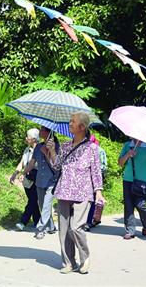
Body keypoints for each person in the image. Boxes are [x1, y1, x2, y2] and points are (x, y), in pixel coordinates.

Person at [47, 111, 106, 274]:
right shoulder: (65, 146)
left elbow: (96, 171)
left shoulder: (92, 148)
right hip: (64, 189)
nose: (69, 124)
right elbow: (57, 166)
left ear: (82, 127)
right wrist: (51, 151)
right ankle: (69, 262)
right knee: (64, 229)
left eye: (72, 122)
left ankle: (84, 257)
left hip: (83, 192)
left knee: (76, 227)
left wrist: (98, 191)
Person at [118, 137, 146, 240]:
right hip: (128, 180)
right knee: (128, 206)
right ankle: (130, 230)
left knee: (141, 205)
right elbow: (120, 163)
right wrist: (128, 154)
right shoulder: (128, 145)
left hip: (143, 182)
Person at [23, 126, 58, 239]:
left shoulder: (57, 146)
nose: (40, 131)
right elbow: (32, 163)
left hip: (51, 181)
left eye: (42, 129)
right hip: (40, 181)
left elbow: (56, 166)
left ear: (48, 132)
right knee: (43, 206)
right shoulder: (38, 146)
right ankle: (52, 227)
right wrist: (23, 173)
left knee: (47, 204)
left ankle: (40, 229)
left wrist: (48, 152)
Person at [10, 128, 41, 231]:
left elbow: (34, 164)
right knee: (33, 200)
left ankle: (23, 221)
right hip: (27, 178)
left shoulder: (41, 149)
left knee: (33, 200)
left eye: (28, 136)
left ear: (34, 139)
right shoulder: (27, 149)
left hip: (37, 178)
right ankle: (38, 221)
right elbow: (22, 163)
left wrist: (23, 173)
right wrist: (15, 174)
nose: (26, 138)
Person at [84, 134, 107, 230]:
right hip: (84, 178)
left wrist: (94, 169)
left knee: (92, 200)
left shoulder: (100, 150)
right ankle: (84, 221)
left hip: (94, 178)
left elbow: (104, 166)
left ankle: (88, 221)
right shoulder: (83, 149)